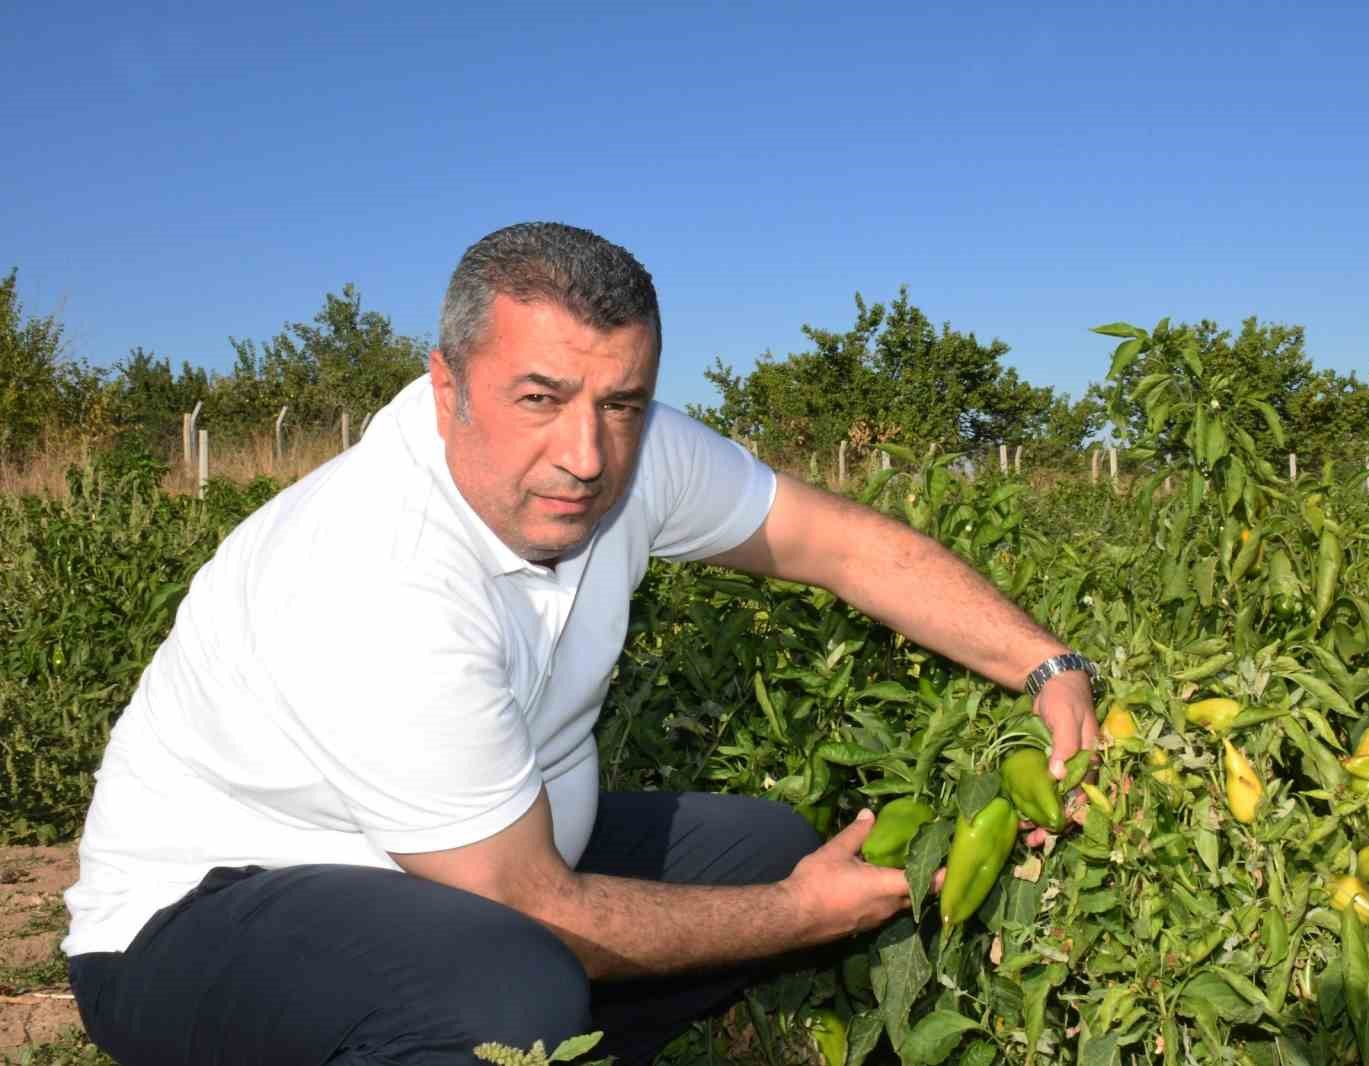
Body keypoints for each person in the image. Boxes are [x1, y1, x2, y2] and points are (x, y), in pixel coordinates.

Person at [62, 222, 1098, 1065]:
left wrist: (1047, 669)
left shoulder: (628, 451)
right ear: (445, 386)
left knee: (764, 847)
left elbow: (842, 546)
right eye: (538, 399)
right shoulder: (374, 570)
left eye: (622, 402)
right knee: (507, 988)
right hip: (201, 918)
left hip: (475, 857)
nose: (585, 455)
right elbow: (526, 904)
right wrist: (797, 915)